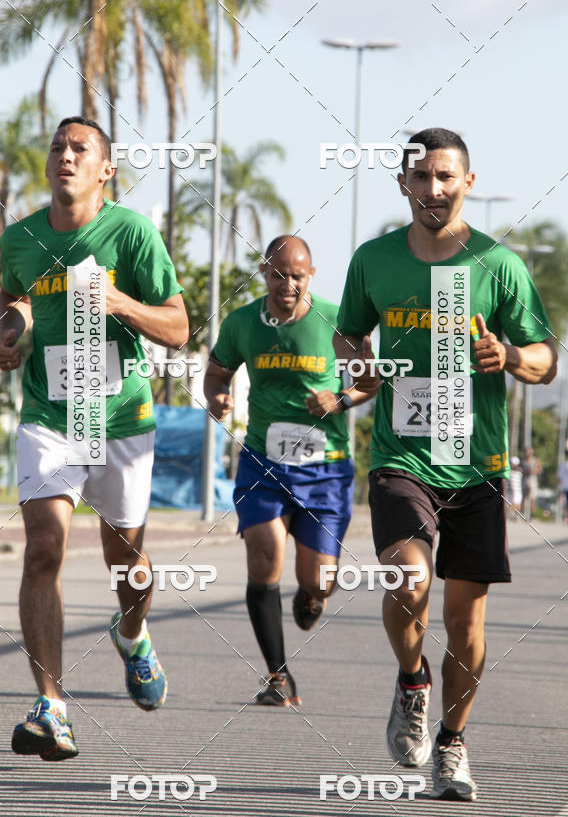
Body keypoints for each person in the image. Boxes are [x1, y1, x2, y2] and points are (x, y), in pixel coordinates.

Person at [334, 128, 557, 800]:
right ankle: (412, 680)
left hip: (478, 464)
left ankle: (452, 745)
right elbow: (348, 329)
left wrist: (511, 358)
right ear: (403, 184)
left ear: (468, 182)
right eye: (421, 178)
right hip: (402, 455)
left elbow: (545, 358)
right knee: (408, 580)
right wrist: (356, 360)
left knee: (465, 623)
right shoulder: (374, 260)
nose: (433, 190)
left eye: (445, 178)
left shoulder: (499, 266)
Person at [0, 117, 188, 759]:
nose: (66, 156)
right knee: (43, 548)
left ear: (106, 170)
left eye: (81, 149)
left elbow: (180, 328)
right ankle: (52, 706)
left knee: (125, 565)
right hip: (50, 418)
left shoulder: (130, 232)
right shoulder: (19, 237)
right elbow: (17, 297)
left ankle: (132, 637)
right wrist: (10, 332)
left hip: (121, 422)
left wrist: (120, 304)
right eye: (57, 147)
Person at [204, 235, 366, 706]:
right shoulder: (242, 323)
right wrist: (217, 396)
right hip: (262, 460)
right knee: (263, 553)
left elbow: (370, 379)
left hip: (325, 470)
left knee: (317, 580)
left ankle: (311, 595)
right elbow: (217, 372)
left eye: (297, 275)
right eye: (278, 274)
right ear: (264, 273)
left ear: (310, 275)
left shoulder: (338, 321)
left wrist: (340, 399)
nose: (287, 284)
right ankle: (277, 676)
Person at [520, 445, 542, 518]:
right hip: (524, 481)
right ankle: (522, 514)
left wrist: (532, 471)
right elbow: (520, 470)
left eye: (529, 451)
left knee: (532, 498)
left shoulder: (535, 460)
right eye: (526, 451)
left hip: (533, 481)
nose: (528, 453)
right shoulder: (522, 460)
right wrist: (525, 472)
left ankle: (531, 515)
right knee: (523, 497)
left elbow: (539, 470)